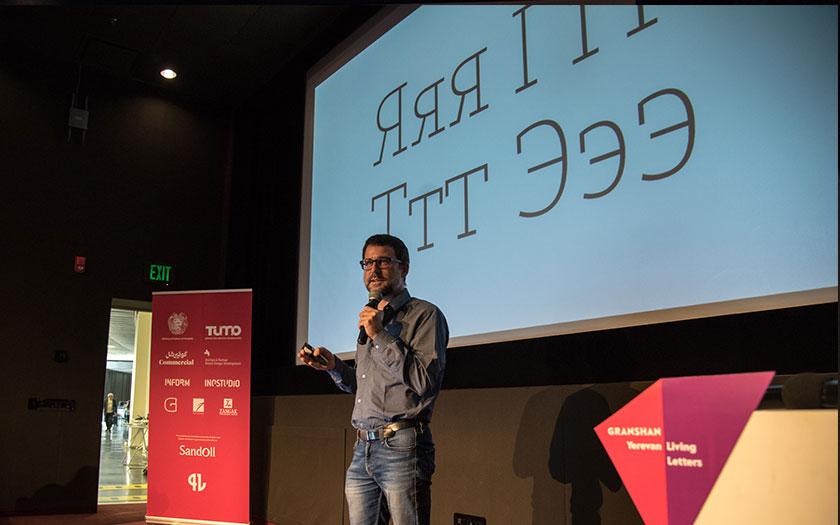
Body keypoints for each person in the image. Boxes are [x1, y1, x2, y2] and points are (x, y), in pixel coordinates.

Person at [299, 233, 449, 525]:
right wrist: (333, 367)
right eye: (368, 263)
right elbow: (364, 387)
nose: (374, 270)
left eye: (383, 261)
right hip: (362, 448)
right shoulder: (371, 319)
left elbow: (424, 382)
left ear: (404, 268)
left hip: (402, 446)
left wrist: (380, 336)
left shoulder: (425, 315)